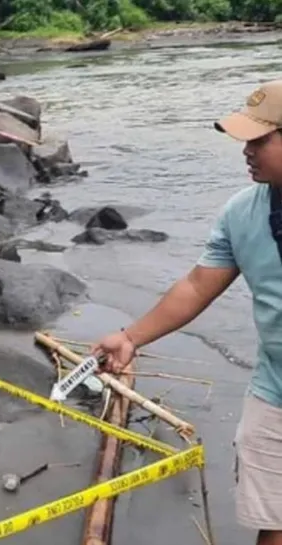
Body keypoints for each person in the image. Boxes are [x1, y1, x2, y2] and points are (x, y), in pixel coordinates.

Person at [92, 79, 282, 545]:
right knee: (274, 520)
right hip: (275, 391)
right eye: (245, 139)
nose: (246, 150)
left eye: (259, 140)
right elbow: (197, 285)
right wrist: (130, 337)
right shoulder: (241, 213)